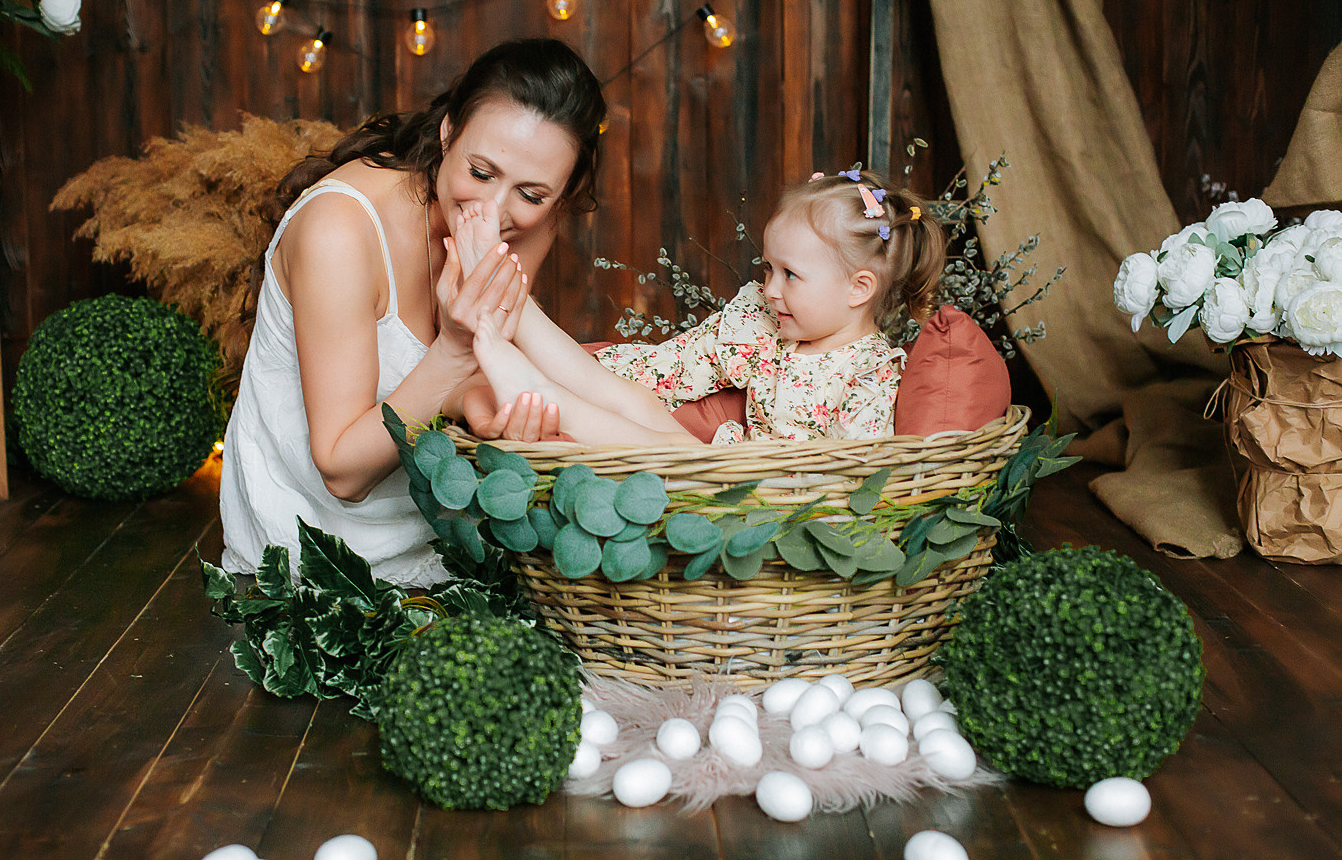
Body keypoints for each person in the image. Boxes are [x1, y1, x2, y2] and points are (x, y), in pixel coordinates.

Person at [219, 38, 606, 585]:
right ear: (448, 131)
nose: (493, 212)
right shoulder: (341, 230)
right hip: (319, 551)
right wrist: (453, 355)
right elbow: (341, 471)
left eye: (532, 194)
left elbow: (489, 357)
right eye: (480, 172)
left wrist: (482, 404)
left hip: (454, 522)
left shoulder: (531, 217)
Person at [462, 169, 947, 445]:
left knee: (668, 449)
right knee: (640, 400)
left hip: (761, 508)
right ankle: (512, 305)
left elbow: (842, 490)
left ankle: (547, 397)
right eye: (768, 268)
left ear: (858, 288)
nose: (770, 288)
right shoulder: (766, 323)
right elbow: (663, 370)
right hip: (720, 472)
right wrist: (595, 374)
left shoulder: (871, 374)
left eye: (791, 275)